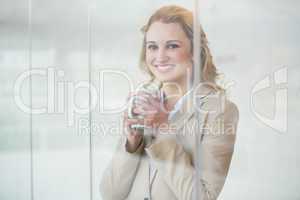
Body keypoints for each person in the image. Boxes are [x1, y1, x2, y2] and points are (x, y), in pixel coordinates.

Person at [100, 5, 239, 200]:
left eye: (172, 46)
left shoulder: (219, 111)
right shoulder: (144, 102)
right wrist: (132, 144)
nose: (160, 56)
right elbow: (110, 194)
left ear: (194, 51)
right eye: (152, 47)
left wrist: (163, 130)